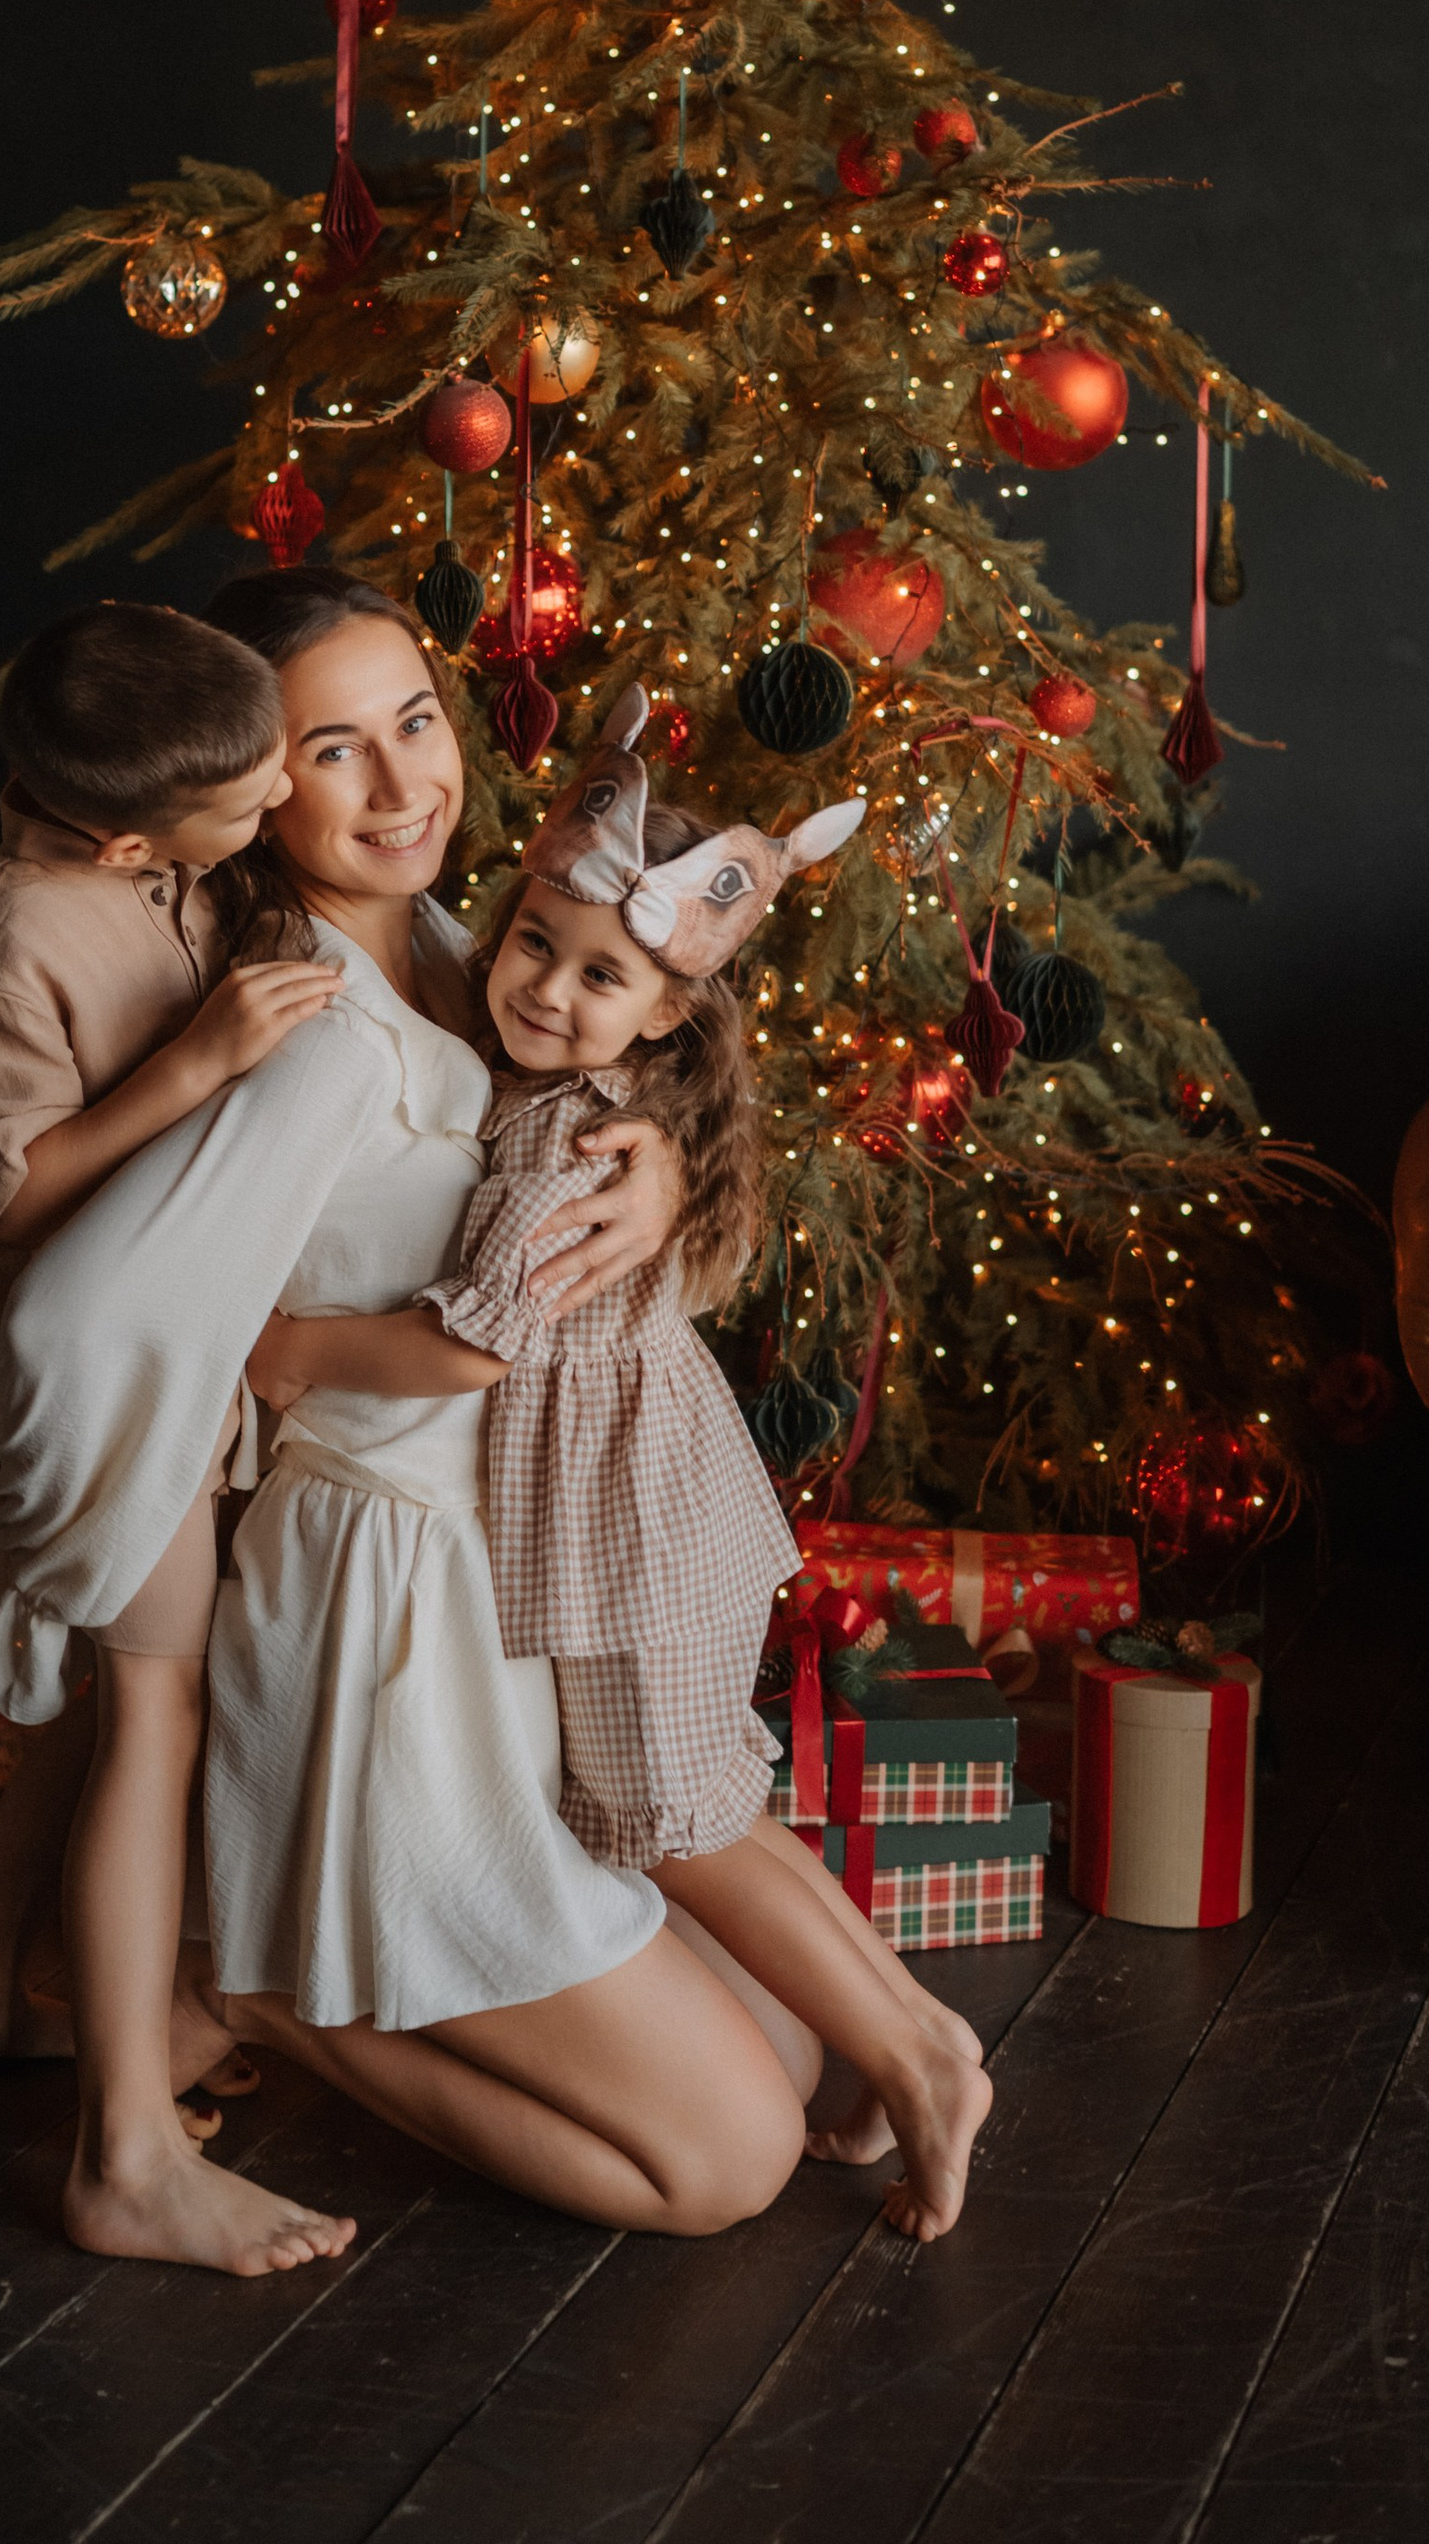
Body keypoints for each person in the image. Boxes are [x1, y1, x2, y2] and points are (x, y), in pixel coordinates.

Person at [0, 562, 823, 2248]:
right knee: (732, 2161)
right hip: (386, 1604)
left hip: (497, 1576)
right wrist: (206, 1414)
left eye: (418, 723)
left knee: (794, 2058)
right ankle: (273, 1996)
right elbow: (92, 1298)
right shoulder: (317, 1034)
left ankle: (224, 1979)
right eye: (334, 751)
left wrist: (657, 1178)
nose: (402, 783)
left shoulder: (465, 947)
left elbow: (582, 1171)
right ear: (247, 792)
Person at [247, 681, 994, 2238]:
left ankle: (917, 2045)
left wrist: (295, 1353)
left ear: (664, 1014)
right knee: (707, 1802)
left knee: (687, 1816)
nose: (546, 992)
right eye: (534, 947)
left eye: (602, 979)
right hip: (650, 1514)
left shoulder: (558, 1147)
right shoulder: (593, 1093)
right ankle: (888, 2050)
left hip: (617, 1531)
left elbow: (470, 1346)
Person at [0, 600, 343, 2253]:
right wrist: (197, 1065)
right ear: (121, 833)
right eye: (249, 800)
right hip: (103, 1362)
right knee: (154, 1708)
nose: (278, 801)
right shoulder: (24, 930)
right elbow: (10, 1194)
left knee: (98, 1704)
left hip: (195, 1321)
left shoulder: (168, 859)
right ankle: (126, 2162)